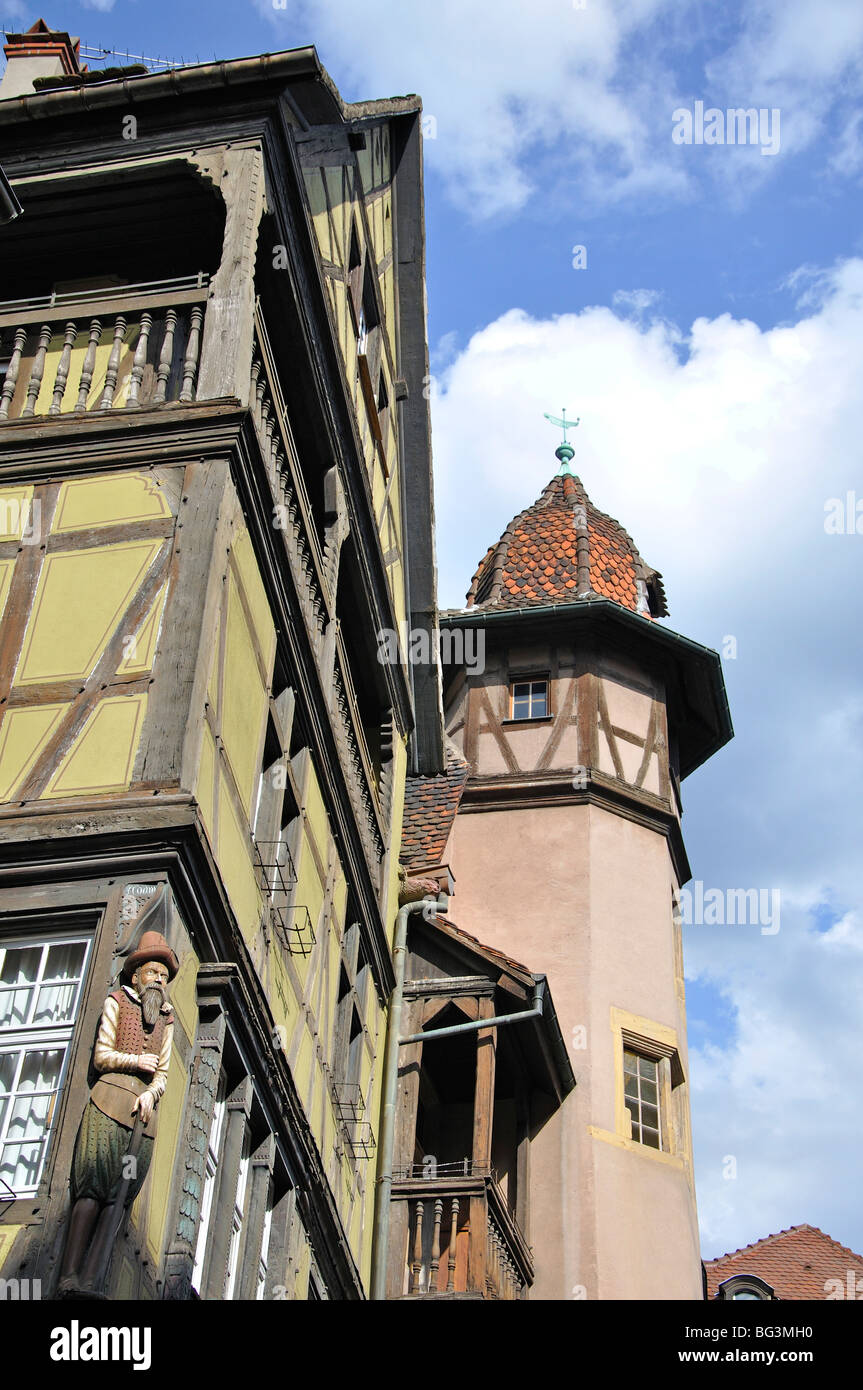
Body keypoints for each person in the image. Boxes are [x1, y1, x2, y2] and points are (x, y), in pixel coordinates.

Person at [56, 928, 178, 1297]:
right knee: (92, 1189)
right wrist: (134, 1061)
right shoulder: (117, 1002)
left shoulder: (168, 1020)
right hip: (107, 1106)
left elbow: (165, 1072)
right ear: (136, 975)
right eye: (152, 973)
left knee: (118, 1199)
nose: (158, 980)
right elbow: (101, 1055)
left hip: (141, 1121)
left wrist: (152, 1094)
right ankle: (68, 1275)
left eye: (163, 976)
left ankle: (92, 1280)